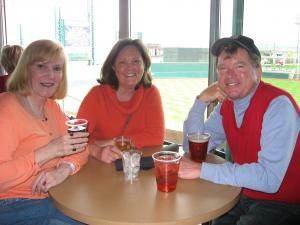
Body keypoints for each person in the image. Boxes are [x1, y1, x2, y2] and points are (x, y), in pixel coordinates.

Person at [179, 35, 300, 225]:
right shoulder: (227, 106)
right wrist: (200, 101)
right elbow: (192, 148)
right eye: (223, 68)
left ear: (257, 71)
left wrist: (202, 170)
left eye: (239, 66)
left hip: (282, 202)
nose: (229, 75)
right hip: (241, 192)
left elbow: (269, 179)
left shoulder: (278, 106)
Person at [0, 39, 89, 225]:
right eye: (41, 66)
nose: (50, 75)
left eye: (57, 68)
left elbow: (81, 148)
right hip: (12, 205)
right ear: (25, 70)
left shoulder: (52, 107)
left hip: (53, 198)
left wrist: (63, 170)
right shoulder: (6, 108)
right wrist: (47, 152)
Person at [77, 38, 164, 164]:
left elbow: (156, 137)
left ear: (144, 65)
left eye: (136, 61)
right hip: (97, 166)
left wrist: (114, 142)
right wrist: (98, 149)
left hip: (133, 168)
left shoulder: (150, 93)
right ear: (113, 66)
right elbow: (77, 140)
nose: (130, 67)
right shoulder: (96, 95)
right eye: (122, 62)